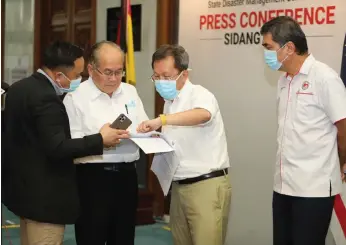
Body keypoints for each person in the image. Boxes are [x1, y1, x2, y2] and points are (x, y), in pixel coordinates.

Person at [2, 41, 129, 245]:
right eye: (77, 75)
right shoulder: (47, 98)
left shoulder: (20, 88)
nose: (79, 80)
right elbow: (58, 147)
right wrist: (100, 139)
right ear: (59, 76)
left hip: (22, 193)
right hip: (44, 200)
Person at [260, 16, 346, 245]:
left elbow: (344, 125)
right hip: (283, 184)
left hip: (313, 188)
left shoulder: (324, 77)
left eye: (269, 47)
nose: (265, 54)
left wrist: (342, 160)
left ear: (289, 48)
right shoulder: (283, 80)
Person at [137, 44, 231, 245]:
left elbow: (202, 114)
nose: (161, 82)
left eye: (167, 76)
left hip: (205, 186)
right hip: (179, 186)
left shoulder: (200, 94)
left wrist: (162, 120)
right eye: (156, 76)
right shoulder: (170, 101)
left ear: (184, 75)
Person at [63, 41, 149, 245]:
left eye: (119, 72)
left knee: (124, 236)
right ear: (91, 70)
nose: (114, 78)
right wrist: (100, 138)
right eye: (108, 72)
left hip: (126, 175)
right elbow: (70, 143)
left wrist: (145, 132)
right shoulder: (75, 96)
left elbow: (143, 125)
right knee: (91, 236)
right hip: (92, 178)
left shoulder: (130, 91)